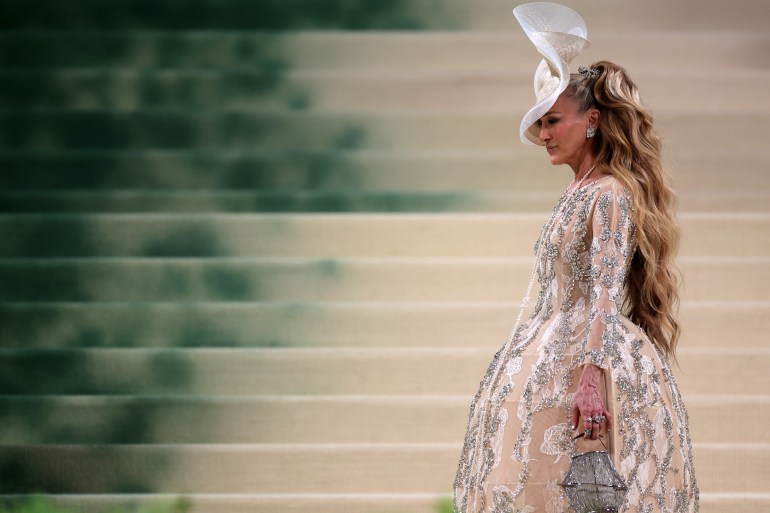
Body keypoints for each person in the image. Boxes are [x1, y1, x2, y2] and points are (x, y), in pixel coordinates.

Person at [453, 4, 699, 512]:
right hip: (554, 350)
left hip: (589, 358)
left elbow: (606, 290)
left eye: (553, 121)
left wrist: (591, 380)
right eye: (540, 123)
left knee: (585, 490)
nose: (544, 134)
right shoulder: (578, 191)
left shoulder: (608, 193)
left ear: (591, 121)